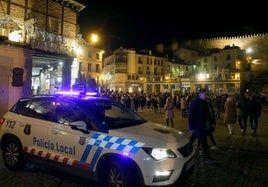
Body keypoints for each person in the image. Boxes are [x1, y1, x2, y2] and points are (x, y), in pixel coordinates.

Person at [188, 88, 216, 163]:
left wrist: (212, 122)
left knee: (193, 139)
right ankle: (207, 158)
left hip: (202, 126)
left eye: (206, 94)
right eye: (205, 94)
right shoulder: (194, 103)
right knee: (203, 142)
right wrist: (191, 127)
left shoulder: (205, 103)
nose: (206, 95)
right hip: (198, 126)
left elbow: (208, 114)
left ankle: (187, 149)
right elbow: (191, 116)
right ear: (200, 94)